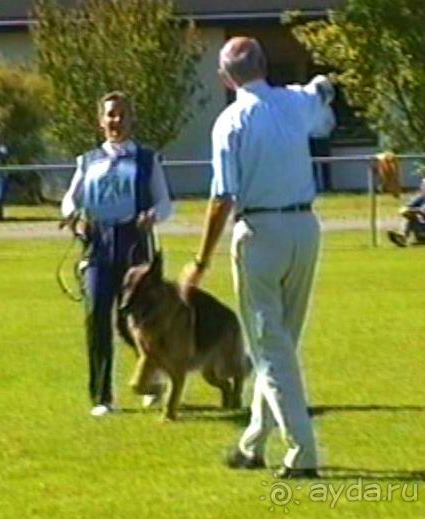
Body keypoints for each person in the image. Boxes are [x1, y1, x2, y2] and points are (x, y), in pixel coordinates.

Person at [181, 37, 335, 479]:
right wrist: (324, 83)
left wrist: (201, 258)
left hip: (261, 233)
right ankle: (253, 443)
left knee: (271, 348)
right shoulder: (292, 102)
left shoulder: (231, 121)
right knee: (280, 343)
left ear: (226, 77)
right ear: (264, 65)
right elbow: (320, 92)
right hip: (305, 228)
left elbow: (223, 196)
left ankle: (302, 452)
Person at [61, 91, 173, 417]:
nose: (116, 121)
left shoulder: (147, 160)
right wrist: (73, 216)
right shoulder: (88, 161)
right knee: (97, 316)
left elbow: (165, 202)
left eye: (122, 114)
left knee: (138, 322)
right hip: (98, 245)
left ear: (131, 119)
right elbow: (71, 198)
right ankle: (101, 396)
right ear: (101, 121)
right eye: (110, 115)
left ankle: (152, 379)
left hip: (135, 245)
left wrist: (154, 216)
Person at [387, 177, 425, 247]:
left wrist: (417, 211)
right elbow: (405, 208)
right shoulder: (421, 199)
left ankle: (404, 238)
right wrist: (406, 211)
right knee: (409, 216)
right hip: (420, 226)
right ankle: (402, 237)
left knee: (412, 215)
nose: (422, 188)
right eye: (422, 186)